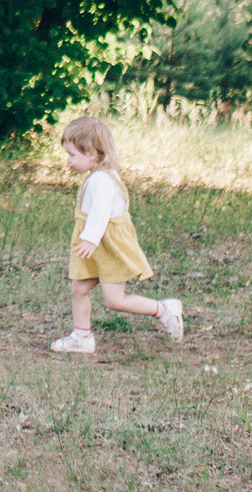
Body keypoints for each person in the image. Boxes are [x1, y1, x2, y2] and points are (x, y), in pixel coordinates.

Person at [48, 115, 184, 353]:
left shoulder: (102, 180)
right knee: (78, 289)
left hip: (107, 245)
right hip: (94, 244)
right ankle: (82, 337)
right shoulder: (97, 176)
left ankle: (164, 310)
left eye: (72, 155)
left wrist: (89, 239)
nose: (68, 161)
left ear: (92, 154)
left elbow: (100, 214)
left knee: (115, 300)